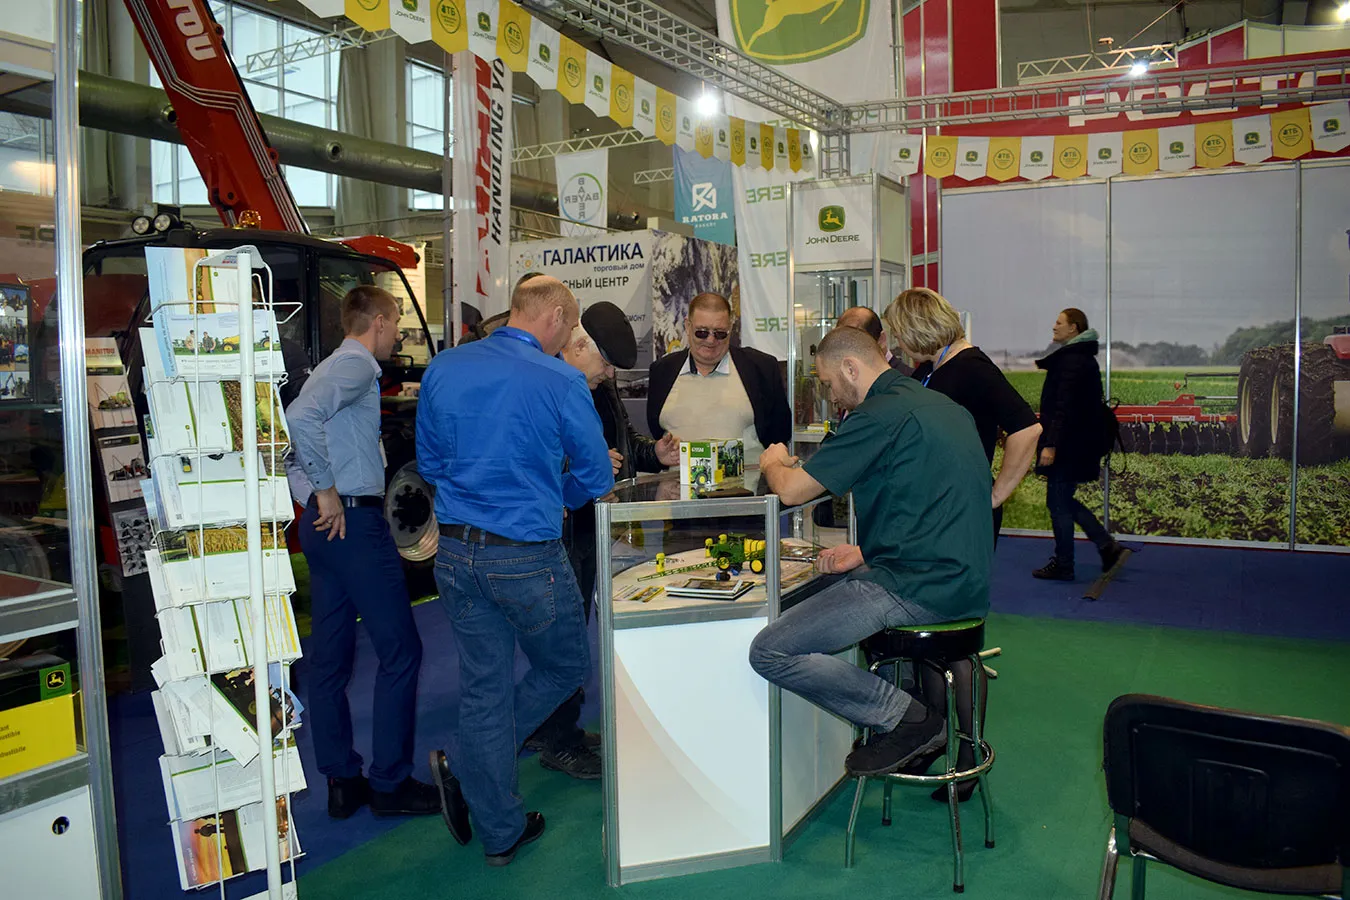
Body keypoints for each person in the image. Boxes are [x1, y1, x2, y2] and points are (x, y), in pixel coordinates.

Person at [416, 275, 613, 866]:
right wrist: (559, 495)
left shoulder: (444, 367)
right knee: (565, 667)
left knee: (484, 687)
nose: (568, 339)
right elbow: (597, 477)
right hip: (526, 555)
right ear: (553, 317)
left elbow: (429, 463)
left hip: (455, 554)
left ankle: (499, 826)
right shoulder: (560, 379)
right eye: (569, 327)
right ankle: (472, 768)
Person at [749, 326, 993, 778]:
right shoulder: (940, 405)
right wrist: (864, 551)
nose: (830, 396)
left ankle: (908, 719)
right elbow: (928, 501)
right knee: (834, 583)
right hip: (965, 580)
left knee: (769, 651)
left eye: (828, 383)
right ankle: (910, 707)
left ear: (850, 367)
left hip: (916, 586)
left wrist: (773, 463)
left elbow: (792, 491)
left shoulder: (877, 415)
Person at [286, 285, 439, 821]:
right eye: (395, 325)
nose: (397, 335)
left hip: (325, 528)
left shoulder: (331, 367)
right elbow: (299, 419)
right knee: (401, 652)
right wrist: (327, 489)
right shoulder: (354, 366)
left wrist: (314, 495)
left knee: (330, 660)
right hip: (352, 525)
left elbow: (296, 442)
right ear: (378, 321)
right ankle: (390, 783)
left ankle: (342, 781)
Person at [524, 300, 680, 780]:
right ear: (576, 346)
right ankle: (558, 739)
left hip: (592, 529)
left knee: (571, 631)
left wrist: (652, 454)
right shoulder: (544, 386)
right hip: (557, 532)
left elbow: (624, 443)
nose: (610, 374)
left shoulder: (597, 385)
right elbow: (529, 457)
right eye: (606, 363)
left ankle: (553, 726)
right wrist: (580, 467)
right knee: (562, 641)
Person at [883, 288, 1042, 542]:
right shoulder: (930, 367)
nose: (898, 343)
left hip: (963, 509)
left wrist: (996, 495)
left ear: (917, 330)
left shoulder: (973, 367)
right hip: (937, 504)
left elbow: (1027, 429)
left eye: (899, 334)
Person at [1032, 308, 1125, 581]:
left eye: (1059, 322)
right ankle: (1105, 545)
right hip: (1076, 443)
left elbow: (1063, 408)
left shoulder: (1071, 361)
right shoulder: (1080, 358)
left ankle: (1066, 564)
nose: (1054, 326)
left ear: (1073, 328)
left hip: (1067, 446)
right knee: (1061, 501)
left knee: (1058, 503)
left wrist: (1051, 445)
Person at [647, 292, 790, 459]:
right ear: (687, 326)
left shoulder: (761, 368)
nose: (710, 340)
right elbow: (656, 431)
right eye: (702, 332)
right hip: (677, 476)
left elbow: (779, 434)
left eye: (720, 333)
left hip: (749, 476)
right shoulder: (662, 371)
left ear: (730, 328)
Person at [836, 305, 913, 375]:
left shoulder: (908, 379)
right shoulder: (842, 378)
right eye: (841, 345)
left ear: (881, 340)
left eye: (856, 346)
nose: (847, 354)